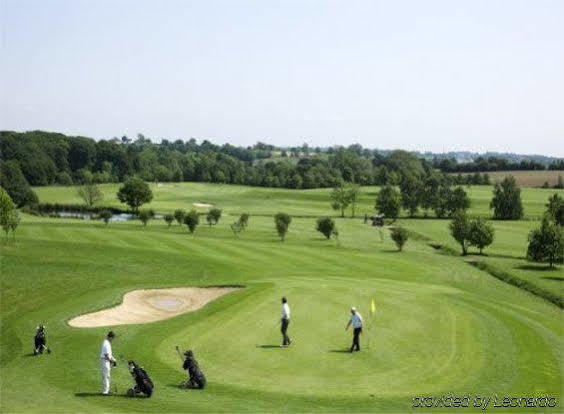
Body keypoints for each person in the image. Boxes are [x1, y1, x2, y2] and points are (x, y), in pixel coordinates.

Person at [100, 331, 117, 395]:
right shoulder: (106, 344)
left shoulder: (107, 343)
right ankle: (105, 392)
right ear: (110, 337)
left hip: (106, 361)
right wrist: (111, 361)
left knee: (107, 376)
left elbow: (109, 354)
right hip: (105, 361)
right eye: (113, 338)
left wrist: (113, 359)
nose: (113, 340)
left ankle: (107, 390)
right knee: (106, 377)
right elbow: (107, 356)